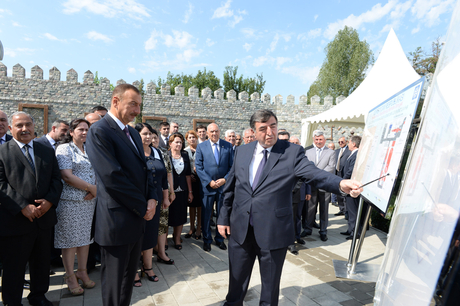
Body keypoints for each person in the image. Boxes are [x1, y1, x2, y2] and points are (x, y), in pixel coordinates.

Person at [217, 109, 362, 306]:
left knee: (269, 288)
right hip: (241, 229)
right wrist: (223, 218)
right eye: (263, 129)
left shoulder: (291, 152)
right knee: (236, 284)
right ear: (253, 131)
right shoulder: (242, 151)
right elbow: (231, 186)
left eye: (273, 126)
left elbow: (314, 173)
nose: (270, 132)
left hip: (273, 231)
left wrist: (340, 184)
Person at [86, 84, 158, 306]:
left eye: (139, 105)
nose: (137, 111)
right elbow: (112, 177)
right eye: (132, 104)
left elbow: (145, 170)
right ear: (115, 101)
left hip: (136, 218)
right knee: (115, 285)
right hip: (116, 222)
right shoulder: (99, 131)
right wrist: (143, 206)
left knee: (128, 280)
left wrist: (153, 198)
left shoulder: (134, 135)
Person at [0, 111, 63, 306]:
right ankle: (12, 301)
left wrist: (50, 202)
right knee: (15, 266)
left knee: (41, 263)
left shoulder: (45, 150)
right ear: (11, 128)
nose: (24, 129)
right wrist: (22, 207)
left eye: (28, 124)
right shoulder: (3, 151)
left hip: (43, 220)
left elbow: (56, 179)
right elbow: (1, 184)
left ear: (35, 127)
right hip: (16, 220)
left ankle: (38, 296)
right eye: (19, 125)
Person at [54, 118, 96, 295]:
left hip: (89, 202)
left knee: (84, 240)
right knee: (70, 241)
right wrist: (91, 187)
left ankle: (82, 272)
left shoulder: (90, 149)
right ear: (71, 132)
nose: (85, 132)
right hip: (70, 203)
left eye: (87, 129)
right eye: (81, 129)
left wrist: (97, 190)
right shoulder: (64, 149)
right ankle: (70, 276)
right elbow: (67, 176)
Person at [133, 123, 170, 286]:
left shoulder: (157, 152)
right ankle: (133, 269)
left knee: (150, 233)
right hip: (138, 200)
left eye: (150, 134)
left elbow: (163, 178)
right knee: (136, 235)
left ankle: (147, 267)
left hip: (156, 200)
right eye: (144, 134)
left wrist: (166, 197)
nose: (148, 137)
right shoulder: (133, 152)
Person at [195, 123, 234, 252]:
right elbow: (198, 167)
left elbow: (232, 167)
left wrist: (225, 179)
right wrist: (208, 181)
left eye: (216, 131)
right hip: (208, 187)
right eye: (211, 131)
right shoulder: (201, 147)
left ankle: (220, 239)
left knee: (222, 214)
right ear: (207, 132)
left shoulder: (227, 145)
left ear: (219, 131)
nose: (214, 133)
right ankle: (207, 240)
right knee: (206, 215)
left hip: (223, 187)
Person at [304, 130, 337, 241]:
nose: (318, 141)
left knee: (324, 209)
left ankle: (323, 231)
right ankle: (308, 229)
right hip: (312, 185)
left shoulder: (331, 152)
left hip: (325, 185)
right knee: (310, 208)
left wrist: (317, 175)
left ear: (325, 140)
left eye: (321, 139)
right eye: (317, 139)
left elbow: (331, 167)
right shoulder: (308, 152)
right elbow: (306, 167)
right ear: (313, 139)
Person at [151, 129, 175, 265]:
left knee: (162, 224)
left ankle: (161, 252)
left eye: (155, 137)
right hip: (149, 196)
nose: (153, 140)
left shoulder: (163, 153)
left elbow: (169, 174)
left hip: (163, 193)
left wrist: (171, 192)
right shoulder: (141, 152)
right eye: (151, 137)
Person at [168, 133, 193, 250]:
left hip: (182, 190)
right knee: (168, 215)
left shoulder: (185, 155)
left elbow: (188, 175)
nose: (179, 144)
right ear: (170, 143)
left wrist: (190, 192)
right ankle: (165, 240)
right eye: (176, 142)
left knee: (181, 215)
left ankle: (177, 238)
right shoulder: (166, 155)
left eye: (181, 142)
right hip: (169, 191)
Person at [340, 136, 363, 240]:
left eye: (349, 142)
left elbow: (350, 171)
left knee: (353, 211)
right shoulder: (352, 154)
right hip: (349, 186)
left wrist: (342, 181)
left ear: (354, 144)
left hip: (352, 186)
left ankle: (355, 232)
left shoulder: (357, 154)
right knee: (350, 210)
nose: (347, 144)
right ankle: (350, 229)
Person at [184, 130, 203, 240]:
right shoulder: (185, 151)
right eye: (190, 137)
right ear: (187, 139)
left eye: (194, 137)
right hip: (189, 180)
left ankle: (199, 227)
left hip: (200, 179)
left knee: (199, 205)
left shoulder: (201, 149)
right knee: (191, 205)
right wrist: (188, 174)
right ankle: (191, 227)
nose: (192, 139)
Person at [335, 136, 351, 218]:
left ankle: (346, 211)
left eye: (342, 141)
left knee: (344, 192)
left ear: (347, 141)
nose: (340, 143)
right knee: (338, 192)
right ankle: (341, 209)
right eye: (339, 142)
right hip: (337, 173)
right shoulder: (337, 151)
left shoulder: (349, 151)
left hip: (344, 174)